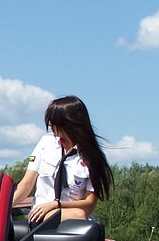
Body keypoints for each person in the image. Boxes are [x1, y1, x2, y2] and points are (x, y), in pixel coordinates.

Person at [12, 95, 113, 223]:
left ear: (68, 123)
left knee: (78, 214)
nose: (49, 124)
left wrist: (56, 205)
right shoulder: (46, 143)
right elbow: (26, 184)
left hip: (77, 223)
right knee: (74, 214)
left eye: (53, 120)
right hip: (41, 218)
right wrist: (2, 208)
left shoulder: (92, 156)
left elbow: (89, 205)